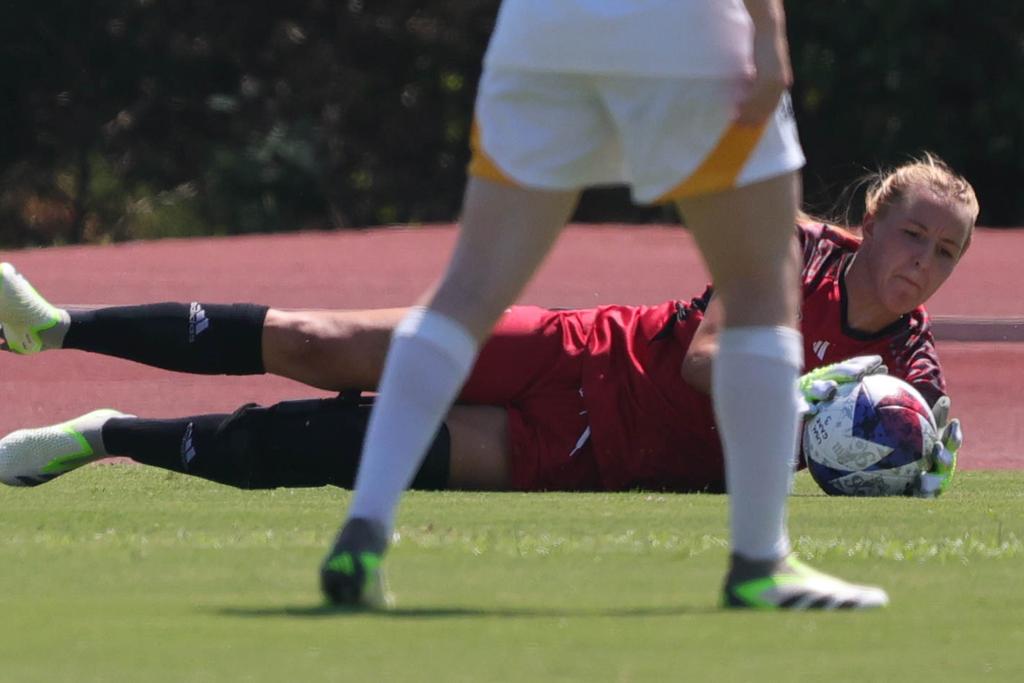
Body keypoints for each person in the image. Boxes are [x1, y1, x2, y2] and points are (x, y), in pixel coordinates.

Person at [0, 154, 973, 595]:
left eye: (943, 252)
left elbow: (922, 463)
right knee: (314, 338)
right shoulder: (790, 249)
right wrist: (803, 398)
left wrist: (926, 457)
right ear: (871, 220)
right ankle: (54, 326)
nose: (920, 261)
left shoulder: (908, 360)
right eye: (911, 232)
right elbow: (707, 353)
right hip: (578, 348)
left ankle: (102, 434)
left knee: (342, 443)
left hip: (590, 452)